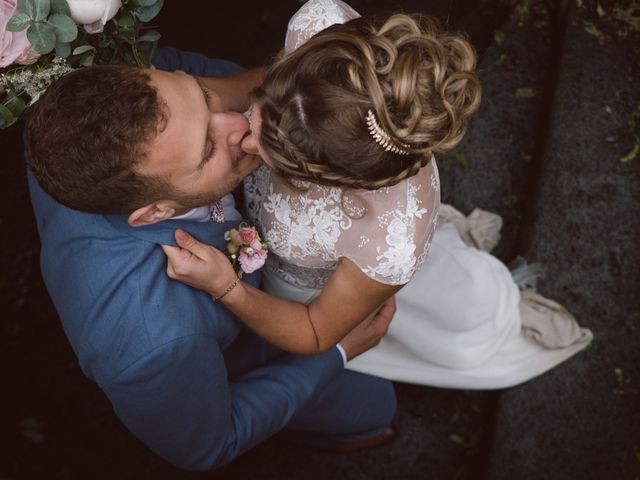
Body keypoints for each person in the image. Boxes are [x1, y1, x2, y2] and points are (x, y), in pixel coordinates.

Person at [163, 0, 593, 389]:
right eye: (258, 110)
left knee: (436, 317)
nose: (244, 138)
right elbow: (246, 85)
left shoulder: (390, 240)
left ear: (343, 180)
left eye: (273, 156)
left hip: (311, 292)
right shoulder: (319, 27)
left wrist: (229, 289)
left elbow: (315, 330)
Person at [25, 45, 398, 470]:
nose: (241, 125)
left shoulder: (97, 106)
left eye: (203, 98)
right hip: (236, 355)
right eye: (207, 150)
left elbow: (211, 76)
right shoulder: (154, 343)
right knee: (374, 406)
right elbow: (208, 445)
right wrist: (338, 353)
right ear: (154, 213)